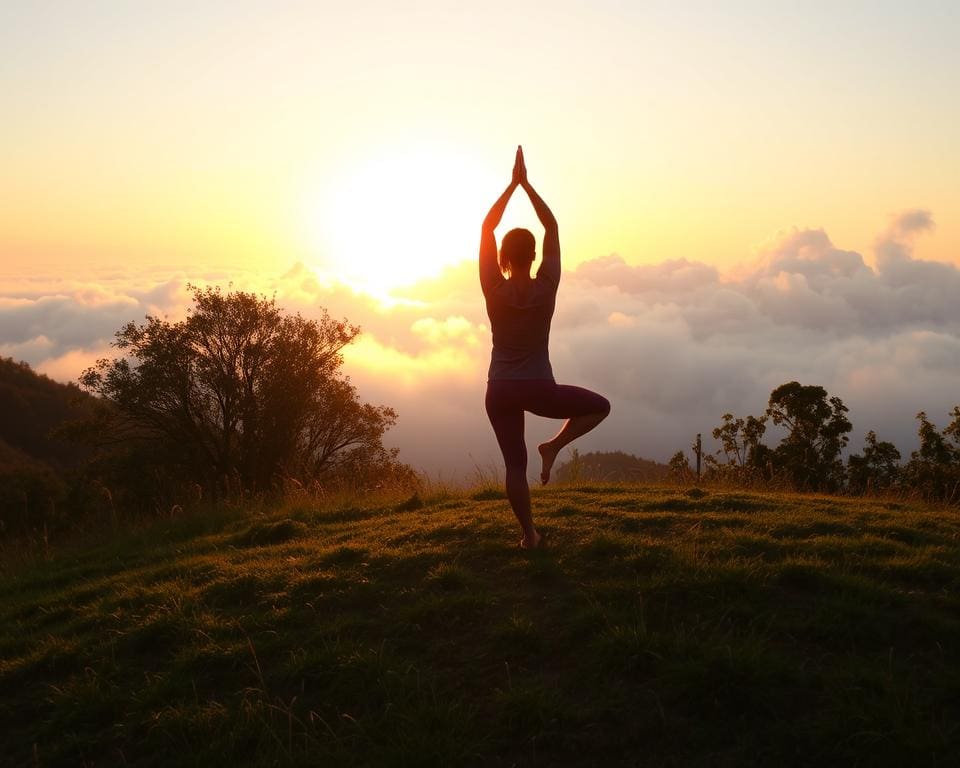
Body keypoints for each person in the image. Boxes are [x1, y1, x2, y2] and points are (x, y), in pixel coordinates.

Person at [480, 146, 610, 549]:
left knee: (515, 467)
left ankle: (528, 535)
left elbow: (487, 229)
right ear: (534, 255)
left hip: (499, 389)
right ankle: (553, 446)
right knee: (599, 407)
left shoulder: (493, 288)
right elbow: (551, 228)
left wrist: (510, 186)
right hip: (538, 386)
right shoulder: (546, 286)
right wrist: (528, 186)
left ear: (502, 257)